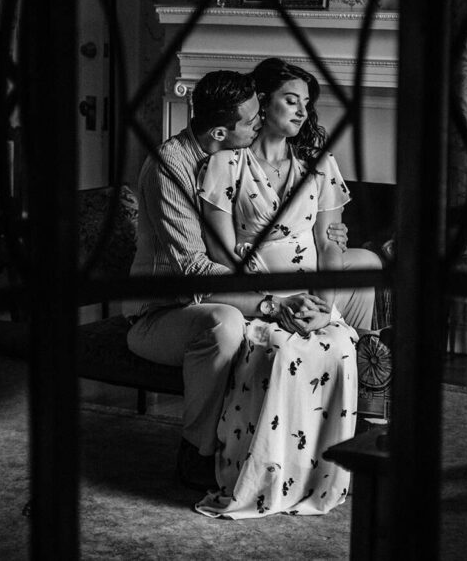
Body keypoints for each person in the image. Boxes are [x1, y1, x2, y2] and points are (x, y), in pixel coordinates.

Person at [123, 69, 353, 491]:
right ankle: (196, 452)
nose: (258, 122)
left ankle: (326, 449)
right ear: (219, 131)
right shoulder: (170, 169)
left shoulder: (235, 157)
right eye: (251, 121)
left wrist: (328, 243)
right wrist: (273, 300)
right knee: (224, 323)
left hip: (221, 293)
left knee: (355, 278)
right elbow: (196, 272)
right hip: (161, 312)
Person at [193, 57, 378, 518]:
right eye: (290, 101)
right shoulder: (225, 164)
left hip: (313, 295)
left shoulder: (320, 165)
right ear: (263, 102)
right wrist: (275, 303)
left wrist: (325, 305)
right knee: (282, 351)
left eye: (306, 104)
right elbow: (219, 253)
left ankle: (322, 476)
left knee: (336, 344)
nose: (300, 112)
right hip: (260, 295)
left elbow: (329, 244)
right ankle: (266, 477)